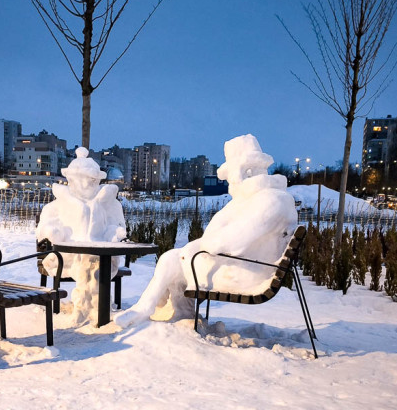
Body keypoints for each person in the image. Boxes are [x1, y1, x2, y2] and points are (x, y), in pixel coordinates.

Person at [116, 134, 297, 325]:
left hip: (248, 274)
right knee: (175, 258)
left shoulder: (270, 201)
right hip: (245, 266)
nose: (230, 184)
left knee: (171, 260)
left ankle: (147, 308)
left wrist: (199, 246)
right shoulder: (258, 200)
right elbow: (215, 238)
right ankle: (177, 311)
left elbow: (225, 243)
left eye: (230, 177)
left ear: (246, 172)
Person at [36, 147, 126, 324]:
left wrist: (114, 233)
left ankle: (90, 309)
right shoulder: (56, 206)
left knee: (92, 262)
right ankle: (92, 309)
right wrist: (54, 232)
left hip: (105, 259)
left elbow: (118, 227)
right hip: (65, 259)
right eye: (80, 180)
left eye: (91, 180)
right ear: (70, 179)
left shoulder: (110, 204)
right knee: (87, 262)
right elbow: (43, 233)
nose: (85, 184)